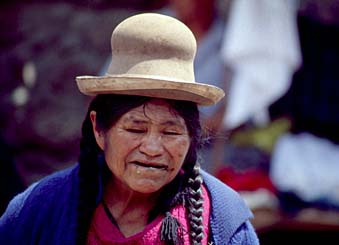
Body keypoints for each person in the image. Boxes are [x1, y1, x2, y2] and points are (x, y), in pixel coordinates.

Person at [0, 13, 259, 244]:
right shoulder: (38, 209)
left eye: (171, 132)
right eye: (136, 129)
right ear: (99, 129)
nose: (153, 148)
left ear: (192, 137)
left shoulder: (224, 221)